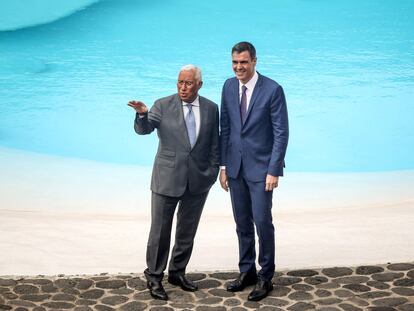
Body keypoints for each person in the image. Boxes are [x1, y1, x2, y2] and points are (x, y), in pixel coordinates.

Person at [128, 65, 219, 300]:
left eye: (188, 83)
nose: (183, 87)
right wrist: (141, 114)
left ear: (199, 84)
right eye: (180, 82)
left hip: (198, 181)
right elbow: (144, 129)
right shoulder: (162, 105)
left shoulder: (211, 108)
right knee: (159, 232)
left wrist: (212, 171)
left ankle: (177, 272)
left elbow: (214, 144)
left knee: (187, 232)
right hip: (166, 179)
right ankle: (154, 277)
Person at [219, 42, 289, 301]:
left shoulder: (272, 90)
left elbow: (281, 133)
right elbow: (225, 127)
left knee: (262, 222)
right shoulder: (227, 86)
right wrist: (224, 166)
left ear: (255, 62)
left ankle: (265, 276)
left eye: (244, 62)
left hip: (262, 170)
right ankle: (246, 270)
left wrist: (274, 170)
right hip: (235, 168)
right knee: (242, 224)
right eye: (235, 62)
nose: (239, 67)